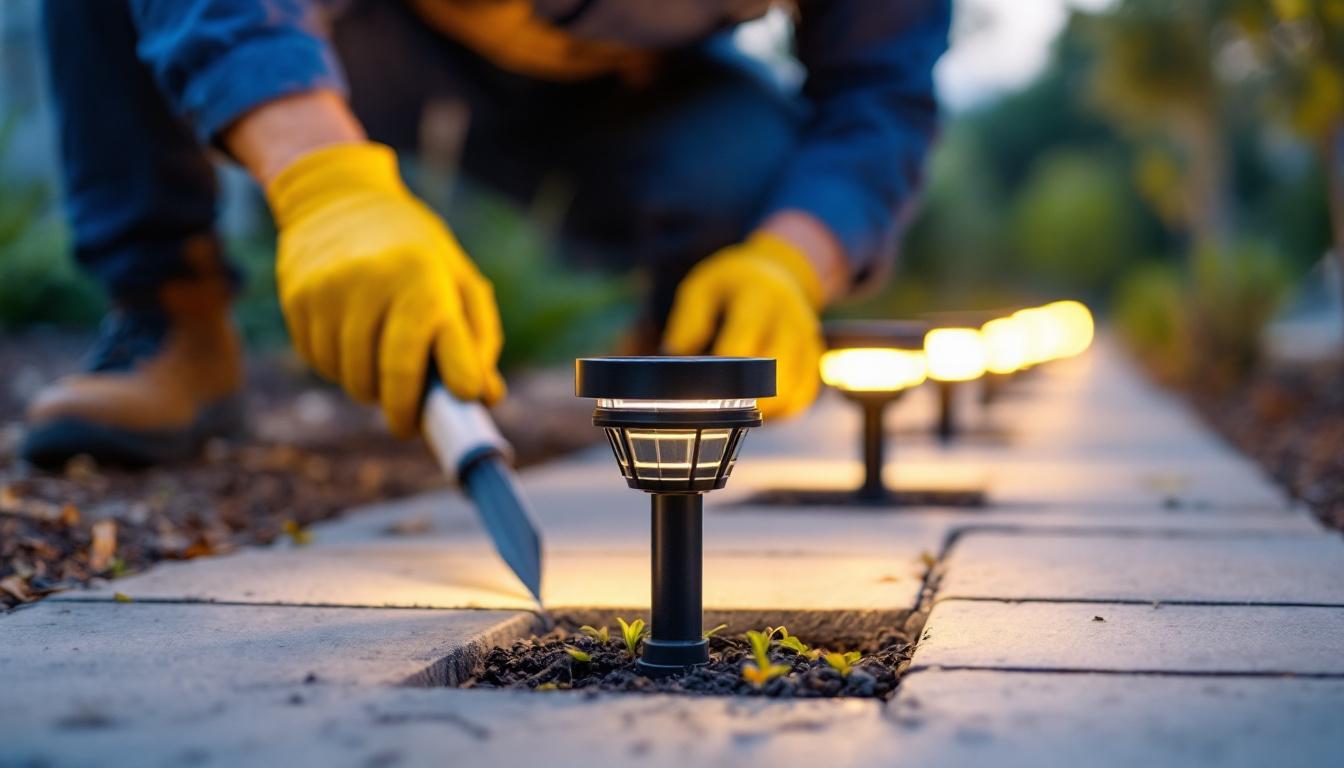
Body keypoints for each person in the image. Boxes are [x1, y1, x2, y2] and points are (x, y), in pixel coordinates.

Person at [22, 0, 949, 467]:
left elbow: (879, 95)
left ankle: (684, 354)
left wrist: (792, 257)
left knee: (751, 172)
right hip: (372, 41)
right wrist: (324, 178)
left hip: (633, 92)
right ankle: (171, 313)